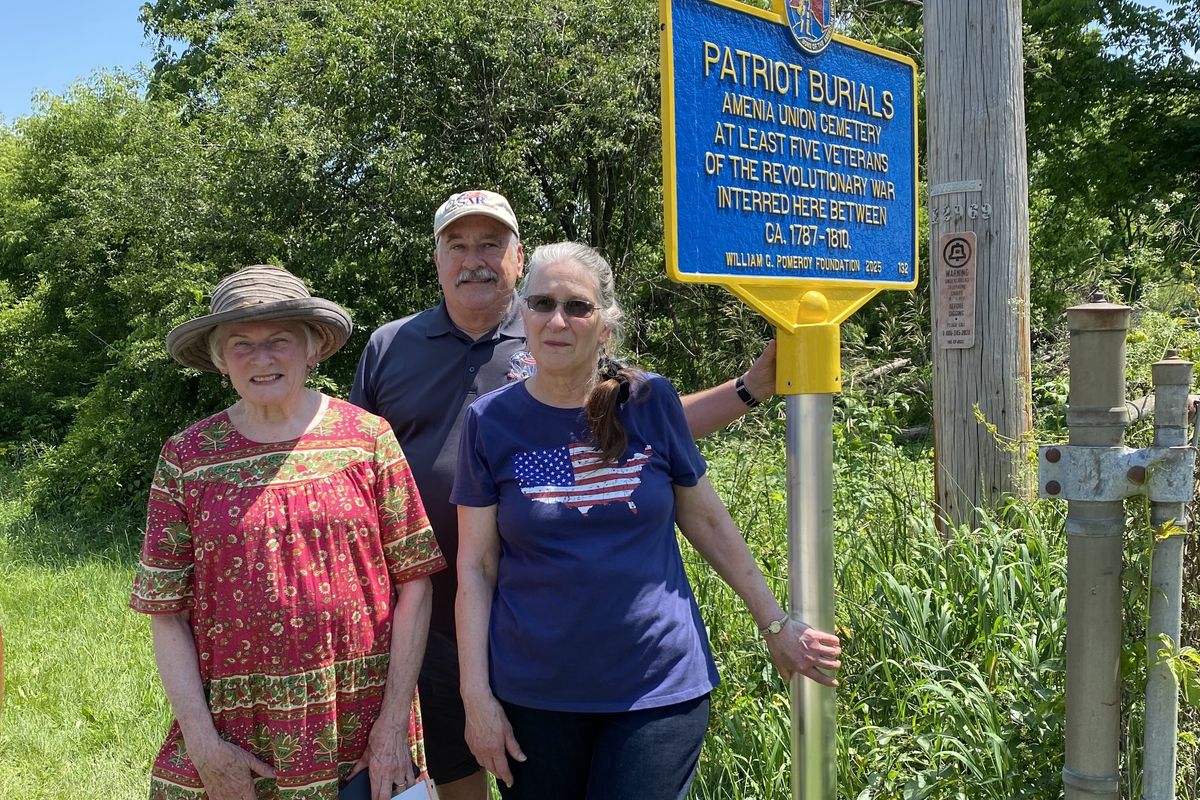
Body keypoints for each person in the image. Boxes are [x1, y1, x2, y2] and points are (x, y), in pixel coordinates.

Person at [349, 190, 779, 800]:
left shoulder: (552, 336)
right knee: (453, 779)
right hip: (427, 618)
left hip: (518, 625)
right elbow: (351, 462)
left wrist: (746, 389)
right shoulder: (390, 347)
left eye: (491, 244)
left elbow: (643, 431)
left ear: (517, 258)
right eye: (458, 244)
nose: (474, 258)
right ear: (438, 256)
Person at [452, 242, 842, 799]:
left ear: (605, 326)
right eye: (541, 303)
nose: (557, 320)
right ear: (523, 315)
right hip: (533, 697)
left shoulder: (649, 400)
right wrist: (477, 699)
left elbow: (704, 518)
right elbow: (476, 568)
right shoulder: (488, 422)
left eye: (577, 306)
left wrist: (775, 624)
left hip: (656, 690)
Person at [132, 264, 446, 800]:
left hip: (361, 719)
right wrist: (204, 744)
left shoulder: (367, 439)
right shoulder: (187, 458)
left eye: (279, 340)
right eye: (241, 344)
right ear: (218, 358)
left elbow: (415, 582)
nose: (262, 358)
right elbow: (166, 611)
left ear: (311, 347)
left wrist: (392, 723)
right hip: (240, 732)